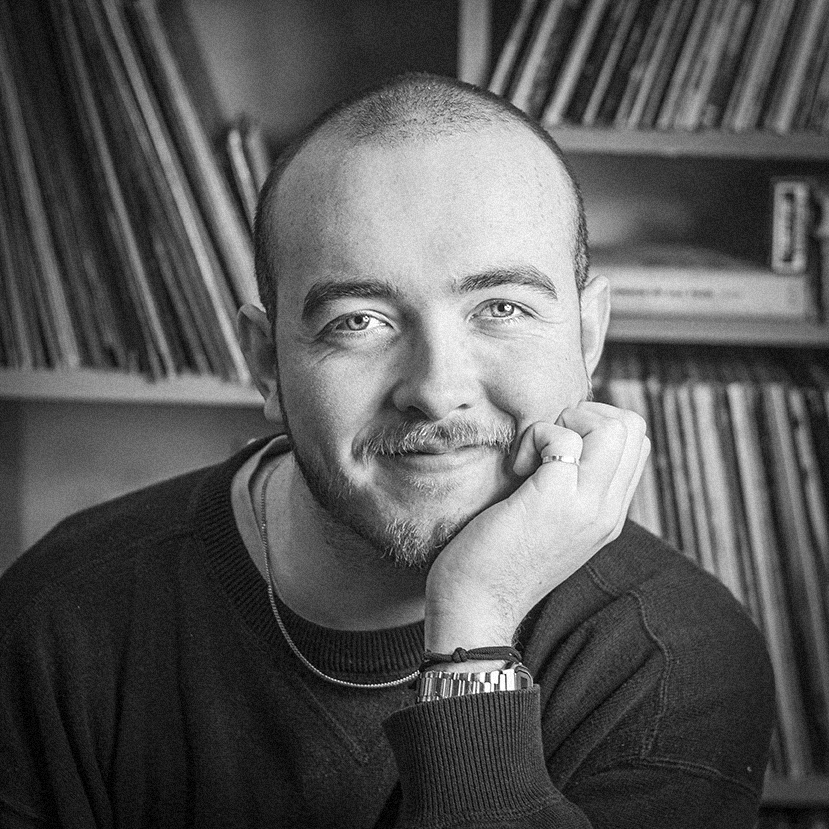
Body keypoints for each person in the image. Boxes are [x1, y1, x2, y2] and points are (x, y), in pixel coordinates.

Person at [0, 74, 774, 828]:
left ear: (588, 333)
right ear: (266, 362)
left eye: (501, 307)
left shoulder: (673, 654)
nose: (435, 390)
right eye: (358, 320)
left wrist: (471, 626)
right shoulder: (57, 619)